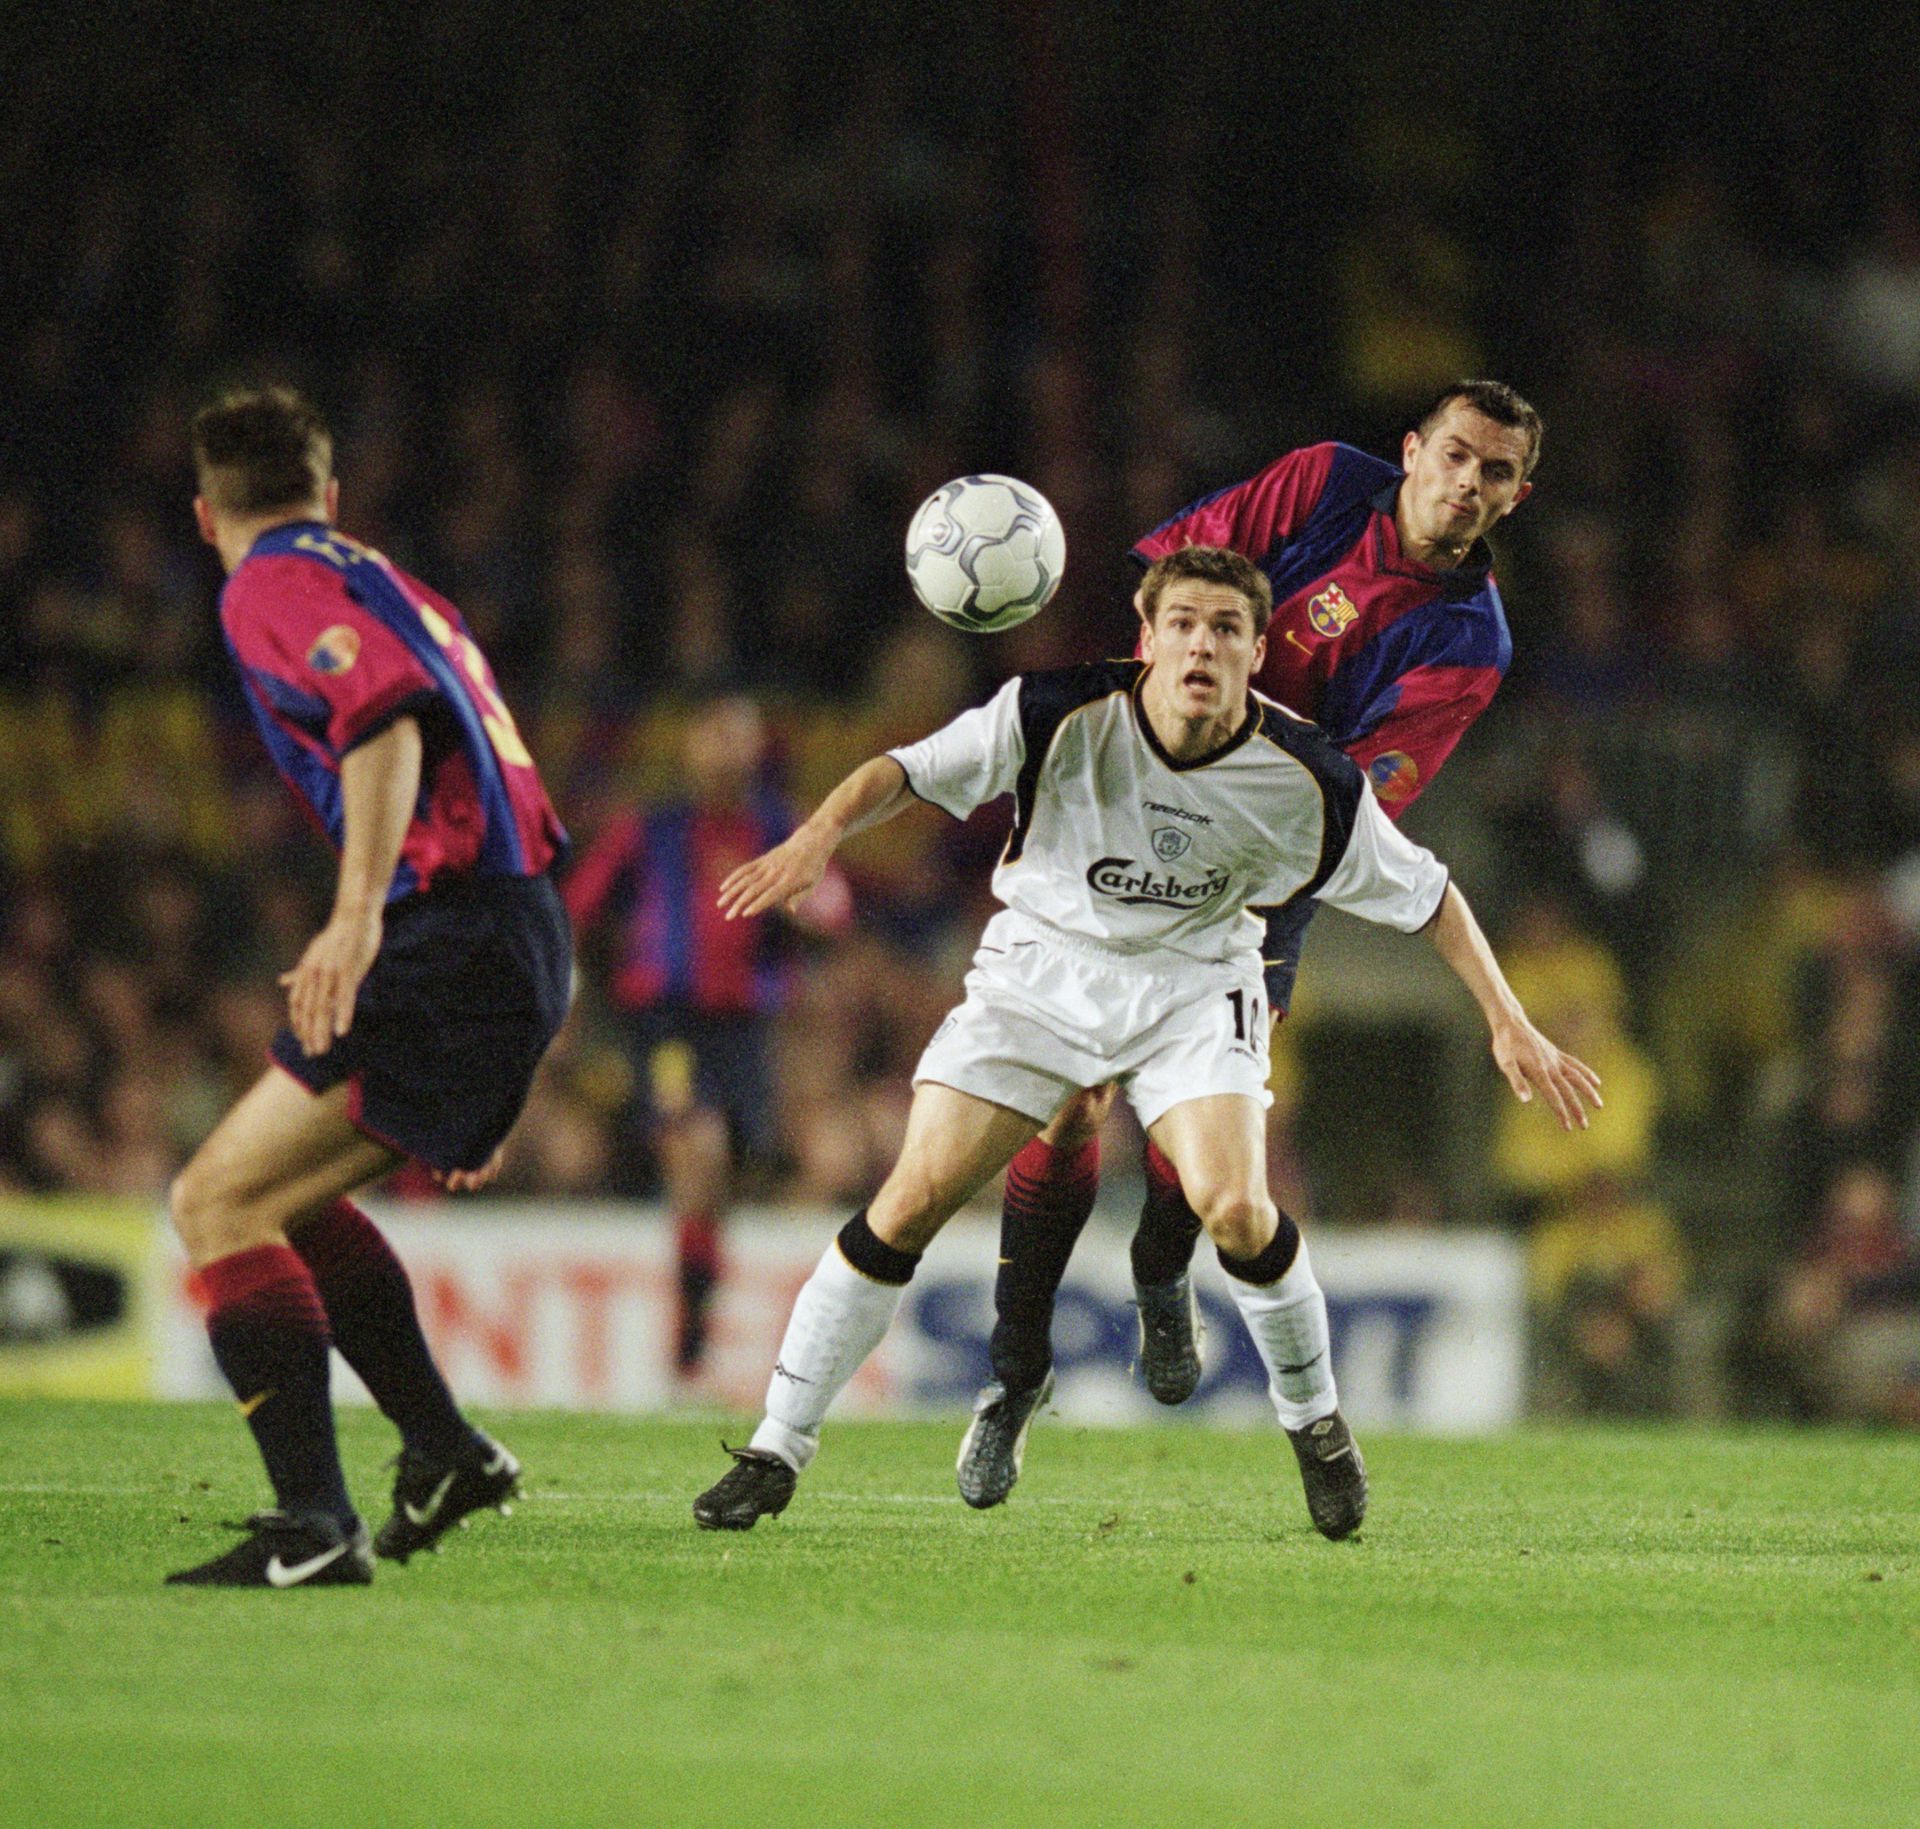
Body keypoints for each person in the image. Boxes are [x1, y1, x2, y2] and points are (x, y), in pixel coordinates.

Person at [691, 545, 1597, 1538]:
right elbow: (903, 771)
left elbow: (1431, 896)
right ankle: (779, 1446)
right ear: (1149, 635)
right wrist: (817, 836)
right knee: (905, 1203)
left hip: (1192, 987)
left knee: (1240, 1208)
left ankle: (1318, 1425)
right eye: (1183, 623)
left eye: (1225, 628)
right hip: (1040, 972)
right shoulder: (1055, 712)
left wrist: (1510, 1021)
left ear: (1258, 651)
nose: (1201, 643)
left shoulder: (1307, 778)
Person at [971, 379, 1543, 1506]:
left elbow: (1358, 793)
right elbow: (1176, 575)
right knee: (1070, 1099)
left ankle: (1160, 1263)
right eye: (1458, 456)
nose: (1468, 484)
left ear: (1518, 496)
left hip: (1264, 852)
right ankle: (1013, 1373)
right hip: (1129, 794)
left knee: (1207, 1134)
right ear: (1414, 450)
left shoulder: (1470, 640)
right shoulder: (1327, 480)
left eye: (1497, 473)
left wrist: (1230, 773)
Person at [166, 387, 572, 1587]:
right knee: (277, 1199)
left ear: (205, 516)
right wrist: (511, 1035)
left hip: (446, 933)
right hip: (509, 932)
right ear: (330, 493)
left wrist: (352, 918)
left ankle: (312, 1525)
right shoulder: (397, 585)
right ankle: (441, 1447)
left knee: (214, 1204)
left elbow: (383, 723)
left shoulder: (272, 584)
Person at [564, 688, 848, 1379]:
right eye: (713, 732)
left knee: (740, 1164)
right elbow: (578, 908)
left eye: (738, 733)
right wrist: (588, 996)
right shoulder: (651, 830)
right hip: (666, 1021)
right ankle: (689, 1334)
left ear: (758, 746)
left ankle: (707, 1297)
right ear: (690, 744)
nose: (726, 747)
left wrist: (806, 909)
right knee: (698, 1141)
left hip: (749, 1028)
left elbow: (835, 911)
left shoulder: (783, 829)